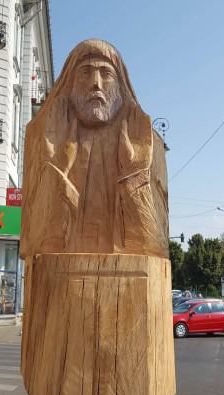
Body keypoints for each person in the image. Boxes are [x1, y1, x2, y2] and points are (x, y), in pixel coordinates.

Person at [20, 38, 169, 259]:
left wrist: (134, 171)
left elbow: (155, 248)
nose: (95, 83)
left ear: (120, 85)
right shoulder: (40, 134)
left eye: (106, 73)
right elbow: (34, 246)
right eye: (85, 73)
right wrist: (56, 167)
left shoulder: (148, 140)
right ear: (70, 84)